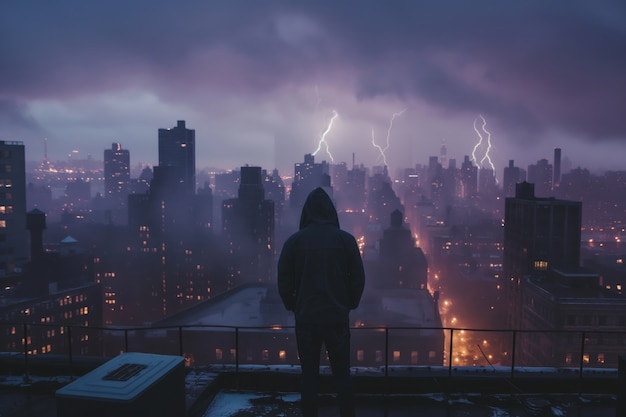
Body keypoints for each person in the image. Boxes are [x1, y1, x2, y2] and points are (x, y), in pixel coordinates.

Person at [278, 187, 365, 417]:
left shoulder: (293, 242)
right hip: (336, 317)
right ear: (331, 211)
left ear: (306, 212)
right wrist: (349, 303)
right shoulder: (346, 240)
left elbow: (283, 279)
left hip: (306, 319)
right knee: (342, 376)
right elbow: (358, 278)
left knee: (309, 377)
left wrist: (293, 305)